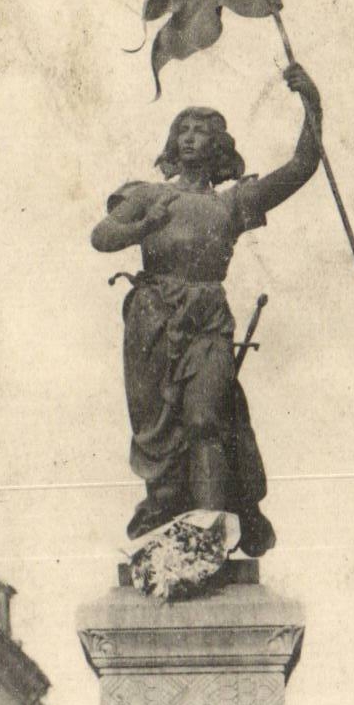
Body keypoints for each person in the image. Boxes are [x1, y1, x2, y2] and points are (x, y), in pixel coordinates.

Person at [91, 64, 323, 551]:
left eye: (201, 131)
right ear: (173, 143)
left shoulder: (232, 204)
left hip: (208, 319)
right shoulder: (148, 195)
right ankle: (169, 522)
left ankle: (209, 536)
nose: (191, 137)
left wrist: (312, 105)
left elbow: (300, 167)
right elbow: (102, 236)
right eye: (184, 130)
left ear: (218, 147)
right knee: (158, 433)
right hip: (152, 319)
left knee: (205, 420)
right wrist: (143, 226)